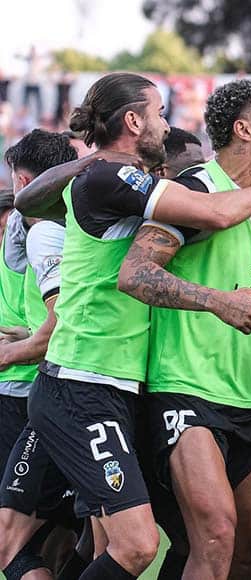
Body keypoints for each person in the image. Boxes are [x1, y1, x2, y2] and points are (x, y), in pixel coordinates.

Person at [18, 72, 251, 580]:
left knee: (123, 541)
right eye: (160, 114)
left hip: (118, 384)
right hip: (81, 381)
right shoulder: (110, 178)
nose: (166, 126)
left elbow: (27, 199)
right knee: (134, 545)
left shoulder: (111, 177)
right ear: (132, 120)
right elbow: (212, 212)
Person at [116, 79, 251, 580]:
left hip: (248, 396)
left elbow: (241, 277)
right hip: (184, 389)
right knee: (215, 537)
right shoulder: (196, 190)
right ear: (244, 130)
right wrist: (217, 302)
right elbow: (135, 273)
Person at [0, 129, 79, 580]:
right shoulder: (87, 221)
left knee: (11, 543)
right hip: (79, 393)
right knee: (70, 540)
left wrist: (11, 353)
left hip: (39, 394)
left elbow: (55, 330)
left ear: (24, 182)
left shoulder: (41, 231)